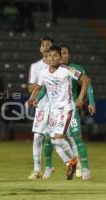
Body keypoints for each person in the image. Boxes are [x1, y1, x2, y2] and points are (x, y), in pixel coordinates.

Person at [27, 45, 90, 180]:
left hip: (66, 108)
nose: (52, 58)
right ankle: (72, 162)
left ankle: (74, 163)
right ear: (46, 58)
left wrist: (80, 98)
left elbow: (86, 80)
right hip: (53, 111)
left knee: (58, 138)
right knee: (55, 141)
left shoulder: (67, 70)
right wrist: (32, 99)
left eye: (56, 56)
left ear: (60, 58)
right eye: (50, 56)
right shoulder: (43, 72)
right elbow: (39, 87)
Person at [27, 36, 54, 179]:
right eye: (44, 45)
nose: (46, 48)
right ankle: (37, 169)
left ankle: (76, 164)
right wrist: (39, 86)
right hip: (42, 106)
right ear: (40, 48)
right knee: (38, 136)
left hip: (58, 106)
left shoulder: (60, 66)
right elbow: (30, 87)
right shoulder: (36, 66)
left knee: (60, 138)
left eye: (49, 45)